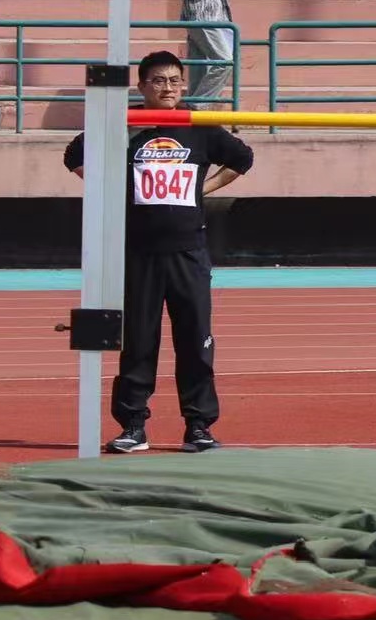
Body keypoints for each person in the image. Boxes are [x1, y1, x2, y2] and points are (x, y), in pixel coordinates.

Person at [64, 51, 254, 454]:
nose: (167, 88)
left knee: (195, 341)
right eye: (158, 81)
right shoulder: (124, 124)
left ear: (184, 85)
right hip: (139, 254)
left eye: (174, 80)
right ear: (142, 86)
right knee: (138, 342)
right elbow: (74, 155)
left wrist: (203, 189)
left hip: (189, 253)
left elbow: (243, 158)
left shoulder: (199, 127)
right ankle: (133, 425)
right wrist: (111, 189)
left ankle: (198, 427)